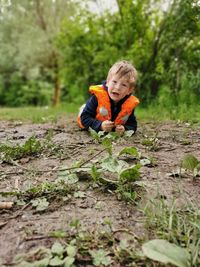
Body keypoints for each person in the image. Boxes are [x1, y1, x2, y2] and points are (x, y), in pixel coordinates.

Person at [77, 60, 140, 135]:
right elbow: (84, 118)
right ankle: (83, 108)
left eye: (124, 85)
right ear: (107, 82)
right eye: (114, 82)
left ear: (129, 90)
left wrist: (125, 129)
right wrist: (100, 125)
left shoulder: (129, 103)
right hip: (94, 118)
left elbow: (133, 125)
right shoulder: (97, 97)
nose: (117, 87)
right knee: (83, 113)